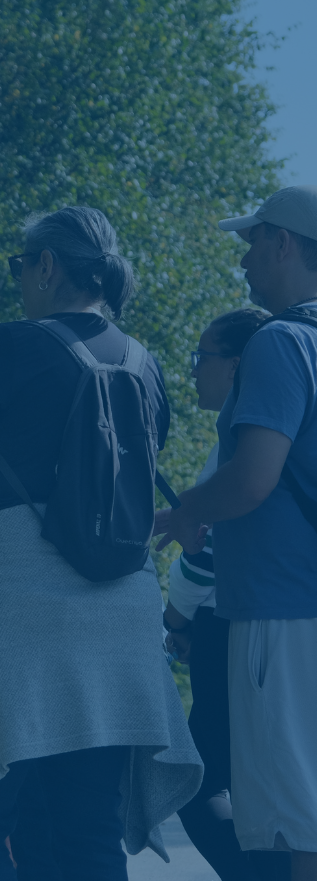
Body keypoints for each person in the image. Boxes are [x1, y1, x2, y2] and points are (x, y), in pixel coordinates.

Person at [0, 205, 202, 880]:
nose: (18, 280)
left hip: (15, 611)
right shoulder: (147, 368)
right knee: (88, 827)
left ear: (48, 266)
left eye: (19, 265)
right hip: (119, 618)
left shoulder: (10, 345)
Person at [161, 186, 317, 881]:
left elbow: (253, 478)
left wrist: (185, 510)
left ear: (284, 242)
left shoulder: (282, 342)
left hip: (283, 612)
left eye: (253, 242)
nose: (245, 260)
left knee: (293, 826)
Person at [164, 308, 291, 881]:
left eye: (203, 358)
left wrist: (177, 616)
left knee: (201, 785)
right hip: (246, 624)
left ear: (238, 364)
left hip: (229, 627)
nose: (194, 371)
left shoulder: (244, 438)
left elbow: (209, 551)